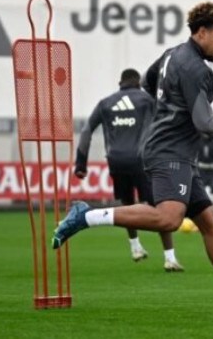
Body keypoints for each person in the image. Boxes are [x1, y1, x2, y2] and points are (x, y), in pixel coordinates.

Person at [53, 1, 213, 317]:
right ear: (202, 32)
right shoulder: (197, 69)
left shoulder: (171, 55)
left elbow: (148, 81)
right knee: (169, 219)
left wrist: (167, 110)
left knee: (211, 226)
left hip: (176, 152)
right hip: (170, 153)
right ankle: (86, 215)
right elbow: (204, 122)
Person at [74, 68, 184, 272]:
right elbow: (168, 122)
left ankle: (135, 248)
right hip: (143, 160)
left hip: (116, 160)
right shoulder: (147, 100)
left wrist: (81, 164)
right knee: (159, 208)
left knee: (127, 203)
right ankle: (170, 257)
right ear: (138, 83)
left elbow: (87, 130)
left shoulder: (105, 103)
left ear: (120, 83)